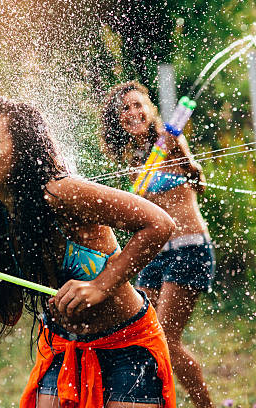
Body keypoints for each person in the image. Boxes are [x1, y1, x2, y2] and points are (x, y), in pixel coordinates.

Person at [0, 97, 178, 407]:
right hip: (62, 345)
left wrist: (99, 285)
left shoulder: (61, 194)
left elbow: (159, 224)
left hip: (127, 344)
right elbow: (8, 313)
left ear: (22, 150)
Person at [101, 81, 215, 408]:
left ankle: (205, 405)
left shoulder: (169, 139)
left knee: (166, 337)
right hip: (155, 256)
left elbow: (198, 179)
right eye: (125, 109)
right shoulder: (133, 159)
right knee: (142, 333)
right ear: (117, 120)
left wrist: (184, 159)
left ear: (150, 109)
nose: (133, 112)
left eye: (138, 105)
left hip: (188, 247)